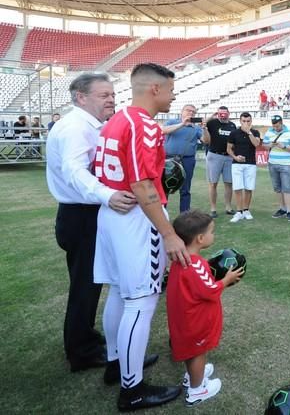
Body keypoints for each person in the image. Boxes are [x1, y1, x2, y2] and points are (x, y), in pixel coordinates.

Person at [94, 63, 189, 410]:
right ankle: (132, 390)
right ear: (154, 89)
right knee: (141, 302)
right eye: (170, 89)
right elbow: (143, 183)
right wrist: (168, 234)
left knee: (119, 292)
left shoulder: (117, 120)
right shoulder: (142, 125)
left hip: (113, 213)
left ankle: (116, 364)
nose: (173, 95)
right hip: (135, 217)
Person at [45, 73, 138, 373]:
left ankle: (85, 337)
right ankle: (81, 351)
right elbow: (75, 171)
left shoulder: (87, 125)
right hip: (81, 214)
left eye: (112, 94)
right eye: (103, 95)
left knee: (90, 283)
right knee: (85, 286)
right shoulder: (75, 128)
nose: (111, 99)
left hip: (82, 213)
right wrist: (107, 194)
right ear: (81, 97)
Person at [167, 211, 244, 405]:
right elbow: (210, 290)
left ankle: (193, 376)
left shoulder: (179, 259)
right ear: (200, 238)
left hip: (183, 319)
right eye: (212, 231)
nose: (213, 235)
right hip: (195, 322)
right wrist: (227, 280)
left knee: (191, 351)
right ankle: (197, 390)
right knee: (198, 352)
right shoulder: (196, 265)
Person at [162, 104, 203, 212]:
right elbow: (163, 131)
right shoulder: (172, 122)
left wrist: (205, 128)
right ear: (182, 111)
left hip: (187, 159)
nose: (191, 113)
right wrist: (182, 124)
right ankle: (162, 214)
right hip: (169, 158)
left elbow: (206, 140)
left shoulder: (196, 127)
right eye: (188, 110)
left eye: (193, 112)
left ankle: (184, 216)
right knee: (164, 187)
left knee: (185, 189)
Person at [262, 115, 290, 222]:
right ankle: (282, 209)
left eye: (277, 125)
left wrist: (284, 147)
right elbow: (264, 145)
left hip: (286, 164)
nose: (275, 128)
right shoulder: (269, 132)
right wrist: (271, 145)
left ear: (281, 123)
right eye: (274, 125)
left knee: (287, 188)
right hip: (272, 163)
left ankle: (289, 211)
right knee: (277, 188)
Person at [201, 106, 236, 218]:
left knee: (229, 183)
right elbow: (205, 133)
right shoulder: (212, 123)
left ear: (228, 113)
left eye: (224, 113)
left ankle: (228, 207)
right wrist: (213, 115)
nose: (222, 115)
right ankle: (213, 209)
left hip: (228, 157)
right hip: (214, 155)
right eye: (220, 113)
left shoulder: (232, 125)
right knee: (213, 183)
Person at [227, 112, 261, 222]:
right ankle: (239, 211)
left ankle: (246, 210)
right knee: (237, 188)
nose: (246, 123)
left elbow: (256, 144)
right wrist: (235, 157)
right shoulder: (234, 133)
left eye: (248, 121)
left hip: (251, 164)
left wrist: (249, 132)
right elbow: (229, 149)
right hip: (237, 164)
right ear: (240, 121)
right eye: (244, 121)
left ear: (251, 121)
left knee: (248, 188)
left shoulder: (255, 132)